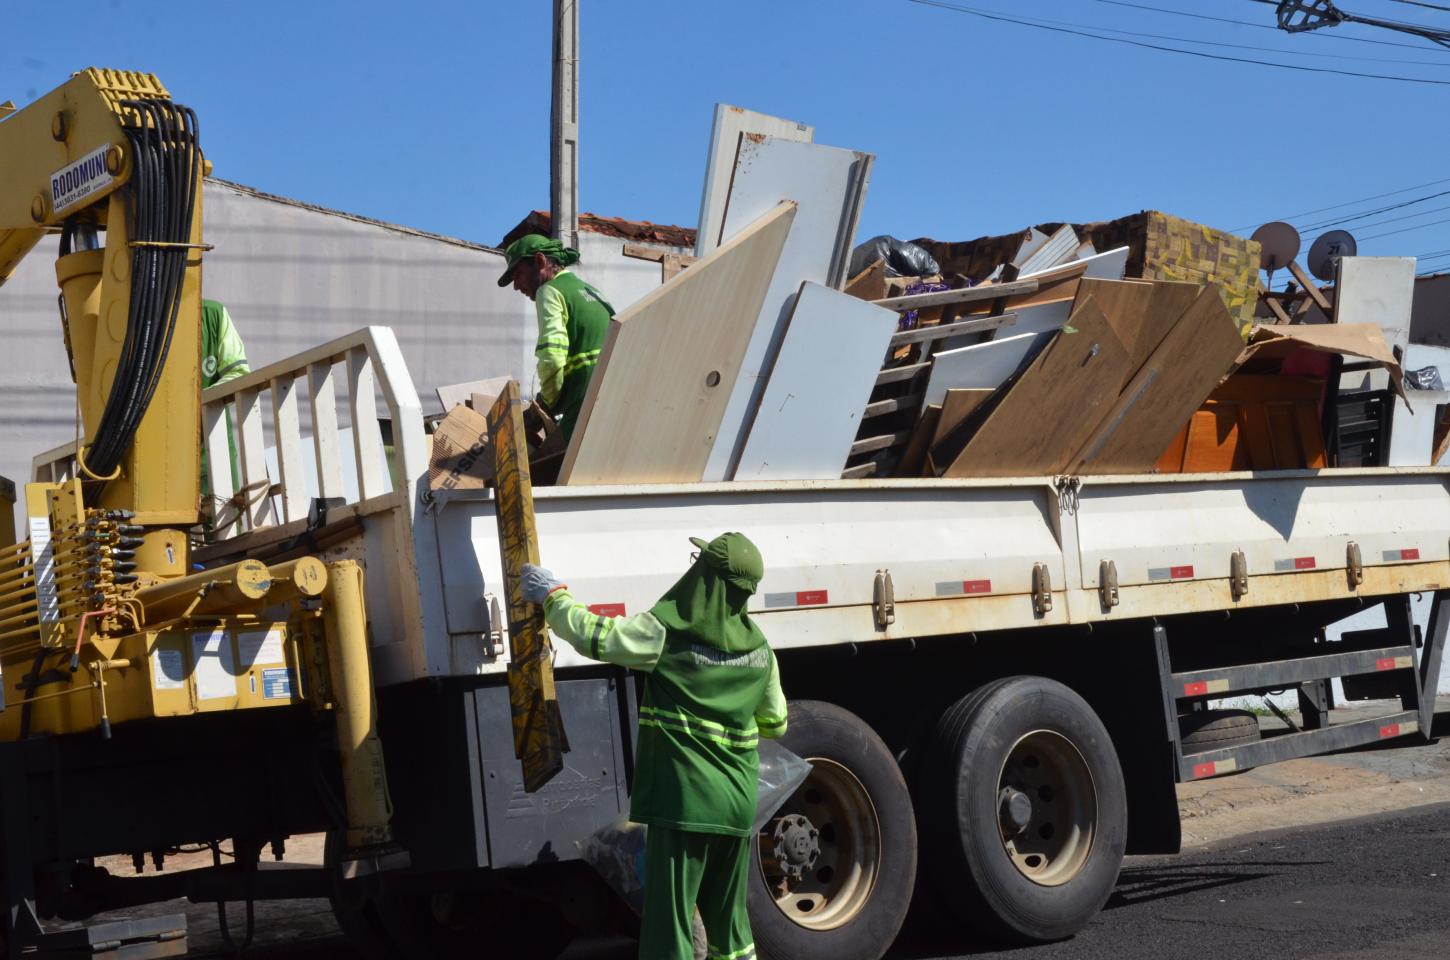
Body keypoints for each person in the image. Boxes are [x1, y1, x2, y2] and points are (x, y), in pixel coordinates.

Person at [520, 533, 787, 960]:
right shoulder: (761, 652)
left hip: (684, 806)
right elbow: (776, 722)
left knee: (672, 924)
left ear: (704, 576)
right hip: (737, 806)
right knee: (730, 925)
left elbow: (597, 637)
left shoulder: (666, 634)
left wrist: (553, 596)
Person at [497, 234, 614, 445]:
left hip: (583, 404)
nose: (516, 286)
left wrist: (544, 405)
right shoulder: (594, 293)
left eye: (518, 274)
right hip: (614, 401)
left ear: (540, 262)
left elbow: (552, 355)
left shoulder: (549, 291)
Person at [199, 299, 250, 503]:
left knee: (222, 526)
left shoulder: (213, 314)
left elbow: (239, 373)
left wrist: (199, 404)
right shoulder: (138, 316)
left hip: (212, 452)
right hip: (157, 459)